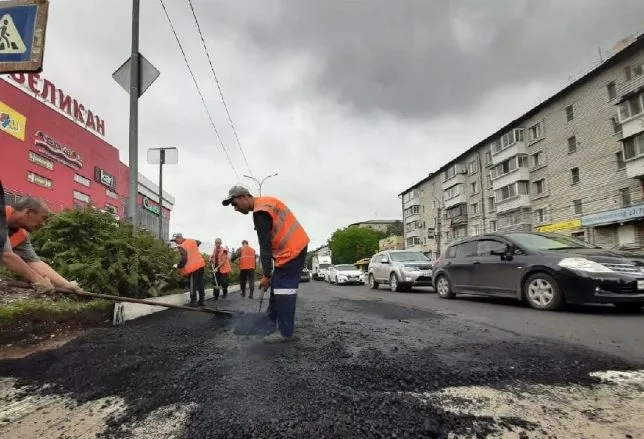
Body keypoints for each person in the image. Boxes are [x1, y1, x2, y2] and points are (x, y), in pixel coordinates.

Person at [222, 185, 309, 343]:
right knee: (277, 288)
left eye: (234, 204)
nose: (235, 209)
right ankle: (270, 323)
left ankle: (285, 333)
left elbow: (265, 245)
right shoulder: (265, 203)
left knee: (284, 291)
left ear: (243, 197)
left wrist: (267, 275)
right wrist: (269, 276)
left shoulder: (261, 212)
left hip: (292, 251)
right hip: (292, 249)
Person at [4, 197, 81, 294]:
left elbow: (34, 262)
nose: (43, 224)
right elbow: (6, 255)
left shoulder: (20, 235)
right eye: (43, 218)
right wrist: (37, 279)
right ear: (28, 212)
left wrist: (65, 284)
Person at [171, 233, 206, 307]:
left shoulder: (181, 246)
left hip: (193, 267)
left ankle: (193, 302)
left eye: (175, 240)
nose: (175, 242)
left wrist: (178, 265)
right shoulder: (192, 241)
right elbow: (199, 242)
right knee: (200, 284)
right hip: (201, 265)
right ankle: (202, 301)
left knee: (192, 285)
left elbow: (184, 258)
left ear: (179, 238)